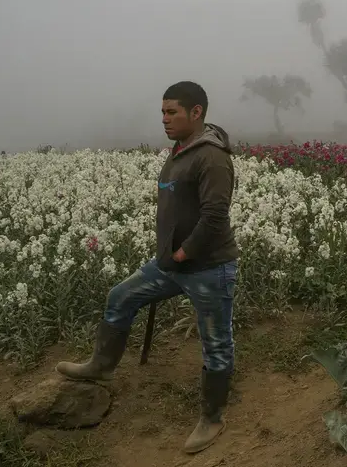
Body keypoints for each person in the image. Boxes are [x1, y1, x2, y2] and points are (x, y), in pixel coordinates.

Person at [55, 81, 240, 453]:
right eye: (162, 112)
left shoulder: (212, 157)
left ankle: (212, 418)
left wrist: (184, 254)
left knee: (216, 344)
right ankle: (102, 365)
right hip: (171, 264)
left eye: (172, 112)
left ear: (196, 112)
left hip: (207, 268)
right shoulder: (181, 150)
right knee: (121, 296)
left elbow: (215, 215)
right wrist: (169, 256)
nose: (165, 119)